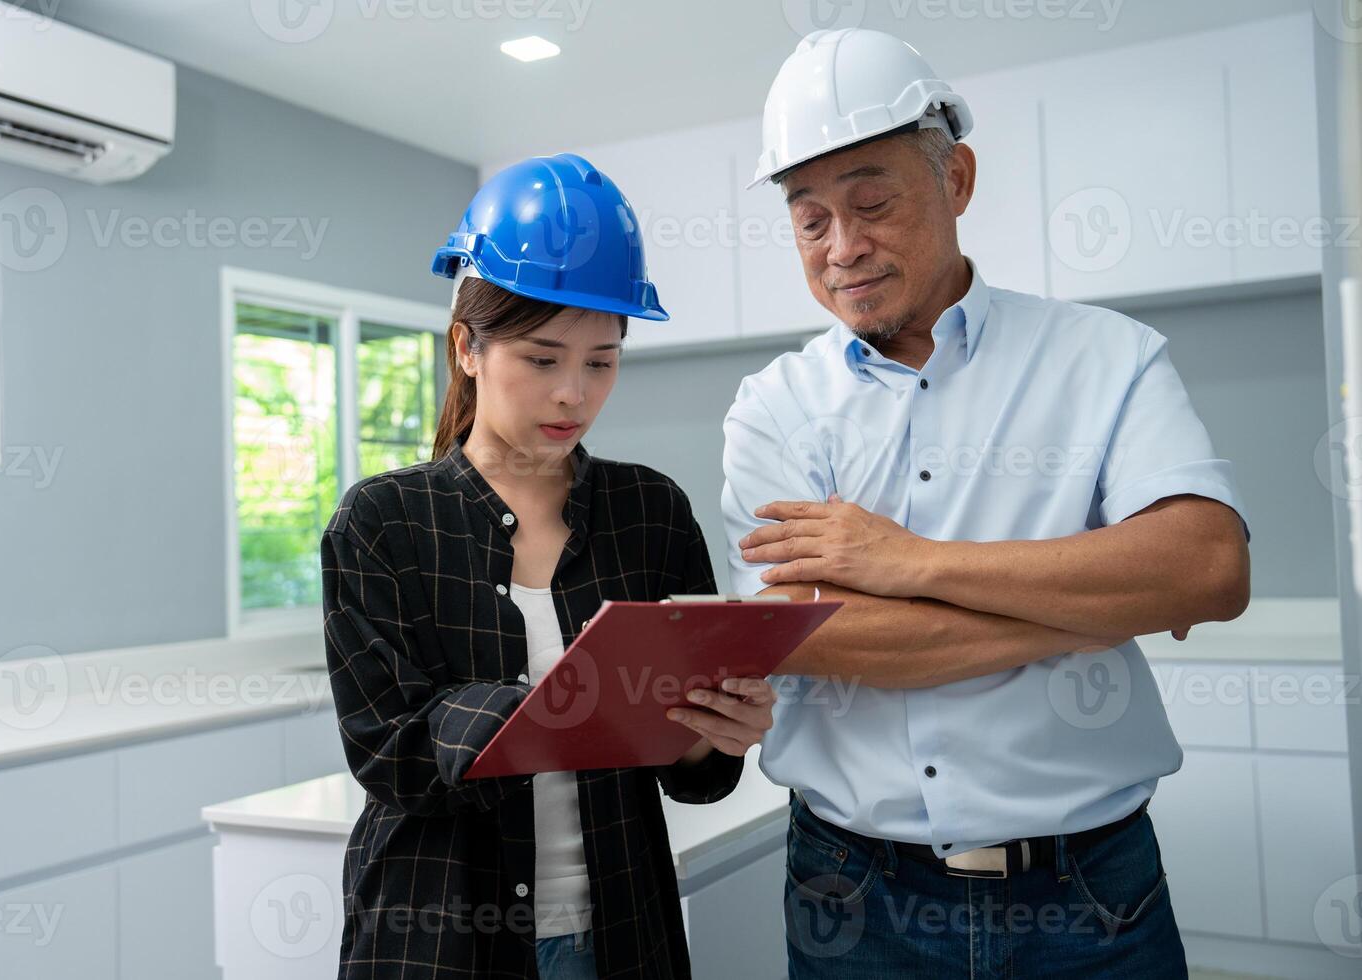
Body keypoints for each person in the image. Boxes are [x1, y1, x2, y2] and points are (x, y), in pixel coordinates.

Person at [721, 29, 1251, 978]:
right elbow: (801, 636)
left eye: (873, 203)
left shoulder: (1106, 358)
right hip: (853, 898)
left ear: (956, 179)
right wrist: (1093, 604)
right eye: (811, 221)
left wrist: (908, 563)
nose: (844, 248)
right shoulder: (774, 407)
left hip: (1090, 896)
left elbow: (1207, 568)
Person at [323, 152, 776, 980]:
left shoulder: (652, 512)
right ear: (467, 346)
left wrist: (716, 733)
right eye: (541, 359)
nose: (574, 392)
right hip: (440, 941)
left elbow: (694, 779)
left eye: (601, 361)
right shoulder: (382, 521)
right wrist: (565, 707)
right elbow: (387, 752)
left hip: (621, 928)